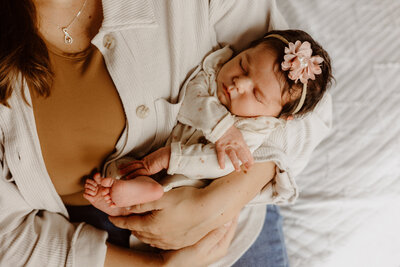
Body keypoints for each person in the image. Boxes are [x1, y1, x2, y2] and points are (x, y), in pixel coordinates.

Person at [0, 1, 333, 267]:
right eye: (242, 67)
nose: (238, 82)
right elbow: (7, 238)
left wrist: (220, 202)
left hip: (228, 233)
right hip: (93, 249)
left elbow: (307, 104)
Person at [83, 29, 333, 217]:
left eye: (256, 95)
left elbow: (220, 163)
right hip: (148, 149)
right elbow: (192, 96)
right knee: (124, 168)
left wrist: (170, 158)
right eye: (243, 65)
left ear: (278, 117)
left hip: (187, 179)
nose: (238, 84)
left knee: (167, 193)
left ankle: (136, 199)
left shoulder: (256, 129)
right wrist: (223, 128)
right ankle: (115, 194)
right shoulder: (215, 69)